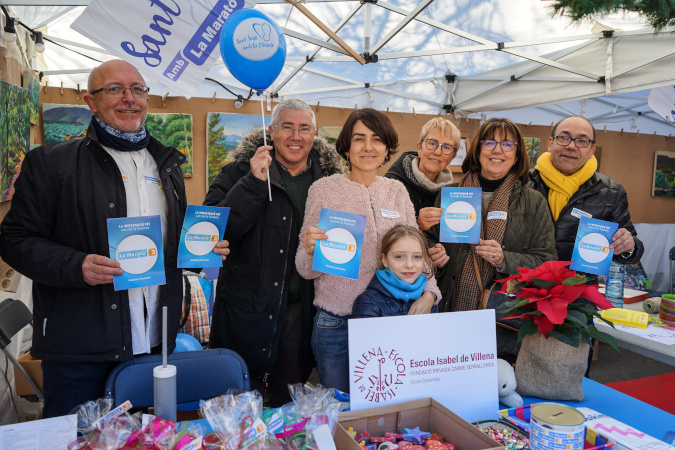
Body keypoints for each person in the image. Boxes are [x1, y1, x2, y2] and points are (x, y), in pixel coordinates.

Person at [0, 60, 230, 418]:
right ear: (90, 101)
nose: (129, 98)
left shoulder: (165, 164)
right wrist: (77, 266)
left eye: (138, 89)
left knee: (146, 439)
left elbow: (171, 245)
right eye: (114, 89)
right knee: (80, 441)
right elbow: (14, 239)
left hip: (155, 341)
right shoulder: (50, 163)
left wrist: (198, 250)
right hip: (81, 348)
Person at [204, 99, 343, 406]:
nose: (296, 136)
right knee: (237, 402)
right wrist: (253, 182)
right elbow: (214, 229)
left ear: (314, 133)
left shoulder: (330, 184)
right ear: (272, 131)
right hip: (245, 312)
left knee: (285, 402)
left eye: (304, 128)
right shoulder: (237, 172)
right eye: (287, 127)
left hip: (300, 311)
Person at [296, 108, 442, 393]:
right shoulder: (323, 190)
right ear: (346, 148)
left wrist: (430, 293)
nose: (368, 147)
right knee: (341, 410)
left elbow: (417, 255)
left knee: (386, 404)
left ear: (386, 147)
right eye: (359, 139)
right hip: (337, 322)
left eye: (376, 139)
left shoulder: (396, 191)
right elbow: (304, 268)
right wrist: (310, 248)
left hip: (390, 319)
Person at [426, 118, 557, 313]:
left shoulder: (534, 201)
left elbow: (547, 263)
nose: (497, 150)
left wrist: (504, 260)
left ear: (517, 154)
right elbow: (427, 239)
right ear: (478, 151)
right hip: (447, 307)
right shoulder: (448, 194)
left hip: (502, 314)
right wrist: (432, 252)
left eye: (507, 144)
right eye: (489, 143)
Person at [528, 116, 643, 265]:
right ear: (550, 143)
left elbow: (628, 248)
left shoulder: (611, 192)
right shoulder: (524, 183)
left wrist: (629, 245)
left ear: (591, 150)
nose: (571, 146)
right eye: (564, 137)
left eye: (582, 141)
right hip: (525, 283)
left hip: (579, 285)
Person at [385, 117, 460, 231]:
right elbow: (383, 230)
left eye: (446, 147)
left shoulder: (454, 195)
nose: (438, 152)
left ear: (452, 157)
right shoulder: (391, 184)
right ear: (419, 148)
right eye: (432, 143)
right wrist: (416, 223)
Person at [352, 225, 439, 319]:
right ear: (385, 260)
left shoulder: (428, 299)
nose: (409, 265)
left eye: (417, 257)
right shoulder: (367, 303)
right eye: (399, 257)